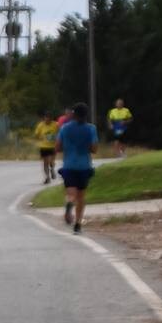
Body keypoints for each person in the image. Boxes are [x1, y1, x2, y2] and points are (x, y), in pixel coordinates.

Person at [56, 101, 99, 235]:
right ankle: (78, 224)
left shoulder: (64, 128)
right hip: (84, 166)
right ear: (86, 115)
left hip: (69, 166)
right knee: (81, 197)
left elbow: (57, 147)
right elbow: (94, 149)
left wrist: (68, 147)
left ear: (74, 114)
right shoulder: (91, 128)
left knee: (71, 194)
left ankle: (69, 203)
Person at [32, 112, 59, 184]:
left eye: (49, 118)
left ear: (51, 118)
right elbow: (36, 135)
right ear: (44, 118)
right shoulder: (40, 125)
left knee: (51, 161)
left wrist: (57, 139)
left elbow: (60, 132)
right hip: (44, 146)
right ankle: (47, 177)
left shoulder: (55, 125)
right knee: (45, 163)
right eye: (46, 118)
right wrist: (38, 137)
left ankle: (52, 169)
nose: (47, 120)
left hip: (53, 146)